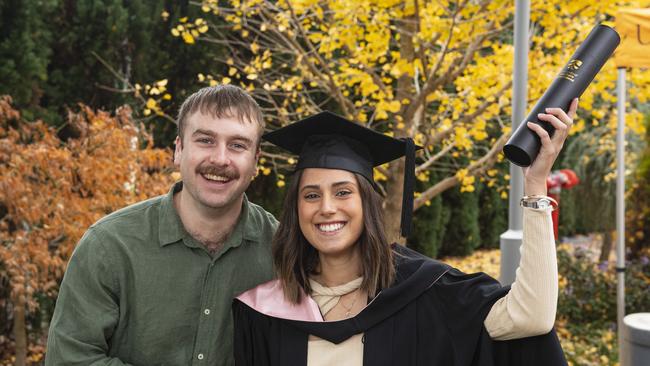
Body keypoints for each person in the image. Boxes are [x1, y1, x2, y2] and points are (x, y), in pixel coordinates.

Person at [233, 102, 579, 366]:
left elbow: (532, 315)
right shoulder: (267, 311)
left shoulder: (423, 291)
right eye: (311, 195)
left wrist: (535, 184)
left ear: (366, 204)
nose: (326, 207)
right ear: (296, 210)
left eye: (342, 192)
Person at [45, 85, 278, 365]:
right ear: (178, 150)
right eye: (205, 140)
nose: (220, 159)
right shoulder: (109, 245)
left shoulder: (282, 251)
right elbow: (70, 358)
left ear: (256, 161)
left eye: (238, 145)